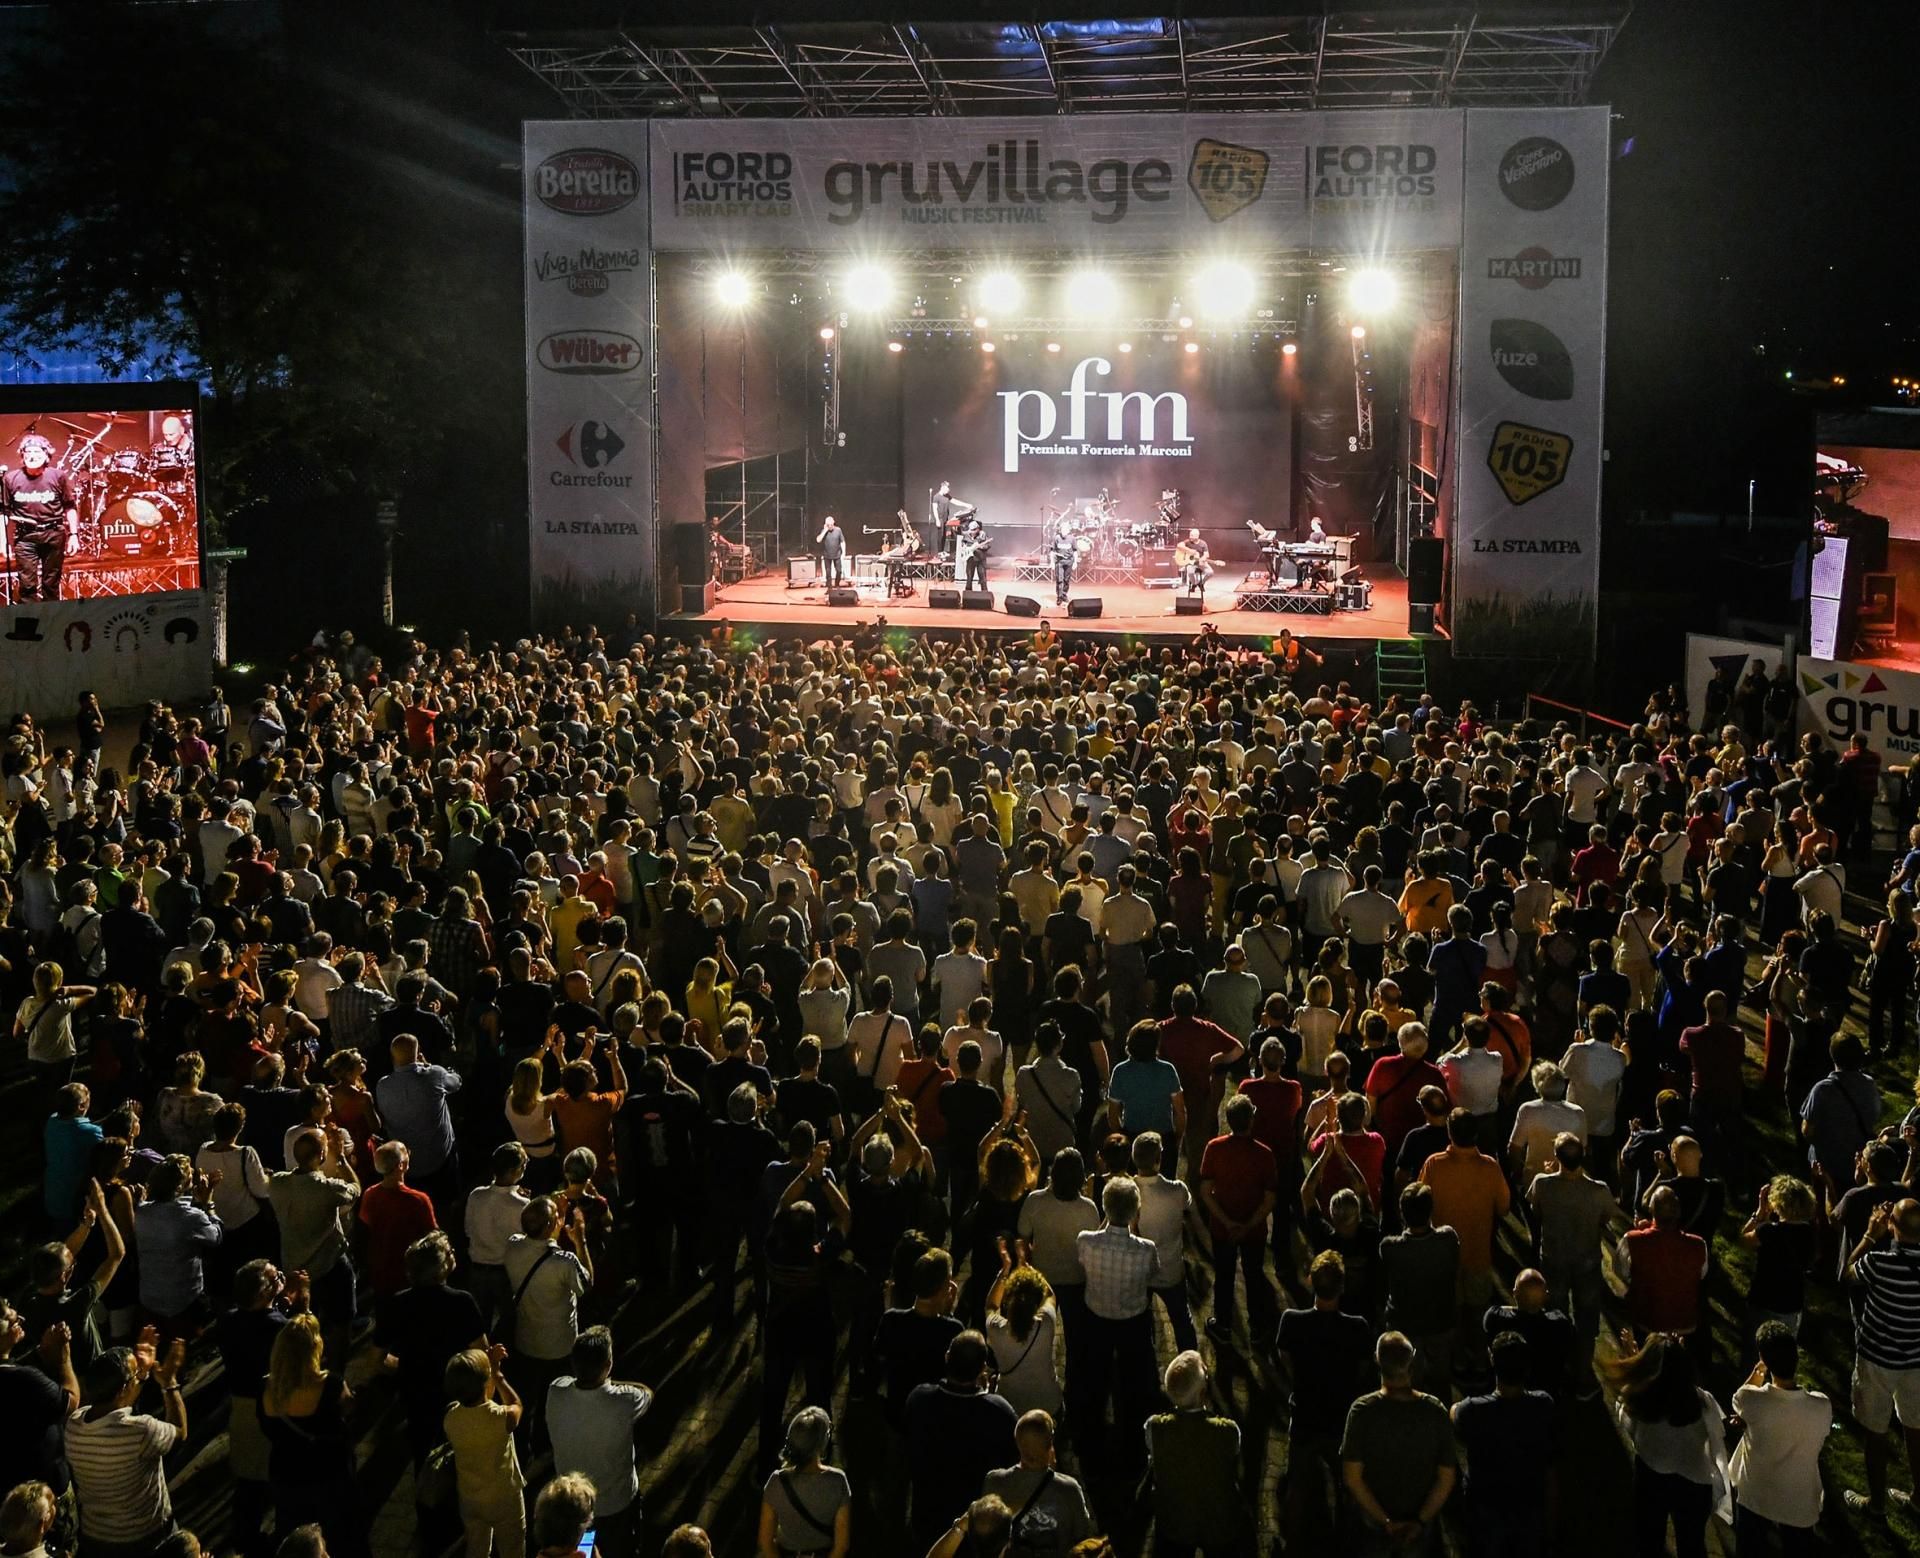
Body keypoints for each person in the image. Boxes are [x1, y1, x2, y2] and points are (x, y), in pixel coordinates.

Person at [1602, 1334, 1728, 1558]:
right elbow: (1717, 1437)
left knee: (1649, 1540)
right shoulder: (1701, 1401)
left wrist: (1637, 1375)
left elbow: (1627, 1423)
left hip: (1651, 1475)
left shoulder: (1639, 1398)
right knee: (1692, 1545)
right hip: (1694, 1481)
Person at [64, 1336, 189, 1556]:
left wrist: (142, 1373)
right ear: (123, 1388)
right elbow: (179, 1432)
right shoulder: (141, 1431)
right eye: (136, 1374)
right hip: (145, 1536)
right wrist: (169, 1382)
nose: (139, 1377)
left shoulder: (74, 1424)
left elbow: (119, 1406)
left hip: (96, 1537)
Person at [1339, 1331, 1457, 1557]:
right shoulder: (1434, 1410)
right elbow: (1446, 1477)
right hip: (1420, 1521)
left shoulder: (1362, 1411)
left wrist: (1386, 1521)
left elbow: (1352, 1477)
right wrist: (1420, 1521)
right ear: (1412, 1360)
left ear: (1377, 1359)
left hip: (1374, 1523)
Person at [261, 1312, 368, 1558]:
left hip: (288, 1477)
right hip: (330, 1476)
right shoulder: (330, 1385)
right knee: (341, 1535)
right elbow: (349, 1409)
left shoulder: (267, 1389)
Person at [902, 1330, 1018, 1549]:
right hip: (976, 1521)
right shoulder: (1000, 1412)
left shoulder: (919, 1399)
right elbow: (1010, 1464)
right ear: (983, 1368)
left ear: (947, 1357)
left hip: (927, 1512)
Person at [1843, 1197, 1920, 1517]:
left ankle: (1875, 1504)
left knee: (1876, 1432)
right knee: (1916, 1428)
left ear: (1892, 1226)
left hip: (1876, 1359)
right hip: (1915, 1361)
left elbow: (1846, 1274)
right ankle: (1918, 1497)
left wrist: (1869, 1236)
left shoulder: (1878, 1262)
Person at [1450, 1332, 1558, 1558]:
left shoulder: (1472, 1410)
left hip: (1485, 1506)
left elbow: (1454, 1413)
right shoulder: (1543, 1404)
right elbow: (1550, 1468)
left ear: (1492, 1359)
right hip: (1528, 1503)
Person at [1728, 1320, 1832, 1553]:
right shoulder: (1822, 1406)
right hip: (1799, 1502)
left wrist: (1759, 1372)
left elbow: (1741, 1398)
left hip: (1755, 1496)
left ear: (1763, 1358)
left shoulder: (1751, 1401)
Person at [1142, 1352, 1243, 1557]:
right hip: (1217, 1523)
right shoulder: (1228, 1430)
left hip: (1175, 1523)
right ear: (1203, 1391)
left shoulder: (1154, 1427)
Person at [442, 1345, 525, 1558]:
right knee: (513, 1548)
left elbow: (481, 1401)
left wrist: (489, 1372)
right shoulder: (501, 1418)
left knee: (476, 1548)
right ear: (485, 1382)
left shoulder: (451, 1418)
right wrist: (498, 1374)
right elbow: (516, 1405)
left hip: (470, 1497)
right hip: (504, 1496)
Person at [758, 1405, 851, 1558]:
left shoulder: (776, 1482)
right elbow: (842, 1545)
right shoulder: (838, 1481)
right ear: (822, 1443)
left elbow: (765, 1541)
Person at [3, 434, 82, 602]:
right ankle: (30, 618)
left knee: (51, 584)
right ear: (22, 455)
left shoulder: (58, 476)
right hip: (25, 537)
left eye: (37, 451)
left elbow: (70, 507)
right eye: (28, 452)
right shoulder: (10, 478)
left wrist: (74, 535)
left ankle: (51, 617)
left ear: (47, 455)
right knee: (27, 586)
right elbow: (3, 512)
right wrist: (3, 541)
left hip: (53, 534)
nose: (32, 455)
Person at [816, 515, 846, 589]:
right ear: (826, 525)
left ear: (834, 523)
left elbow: (842, 542)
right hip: (827, 555)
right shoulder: (824, 531)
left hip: (837, 554)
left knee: (839, 571)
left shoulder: (838, 530)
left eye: (831, 525)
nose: (830, 526)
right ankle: (829, 588)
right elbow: (818, 540)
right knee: (828, 573)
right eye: (828, 525)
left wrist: (844, 553)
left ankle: (837, 585)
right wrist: (825, 531)